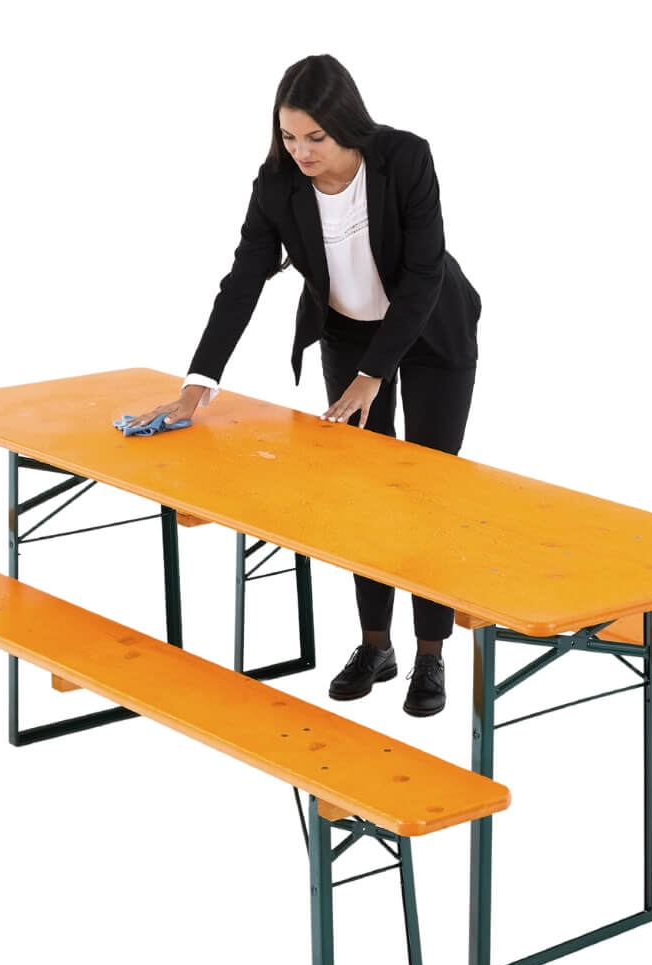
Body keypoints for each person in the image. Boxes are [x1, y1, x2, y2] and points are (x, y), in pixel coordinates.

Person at [126, 54, 482, 718]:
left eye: (315, 137)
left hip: (433, 335)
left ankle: (430, 653)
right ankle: (376, 644)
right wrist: (196, 386)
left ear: (346, 124)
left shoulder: (405, 159)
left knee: (429, 491)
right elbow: (242, 281)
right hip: (348, 333)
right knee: (363, 488)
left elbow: (425, 272)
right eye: (290, 137)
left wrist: (375, 377)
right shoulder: (277, 187)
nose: (302, 151)